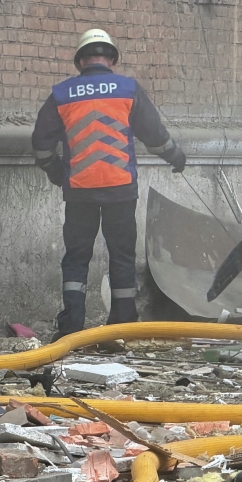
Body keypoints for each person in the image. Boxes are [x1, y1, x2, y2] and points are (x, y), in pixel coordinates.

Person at [31, 28, 186, 338]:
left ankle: (72, 326)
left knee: (77, 257)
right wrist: (175, 156)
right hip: (120, 189)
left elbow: (41, 143)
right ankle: (122, 325)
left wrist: (56, 172)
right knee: (122, 256)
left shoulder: (62, 94)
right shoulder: (127, 89)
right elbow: (154, 134)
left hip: (79, 191)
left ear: (80, 61)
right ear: (112, 59)